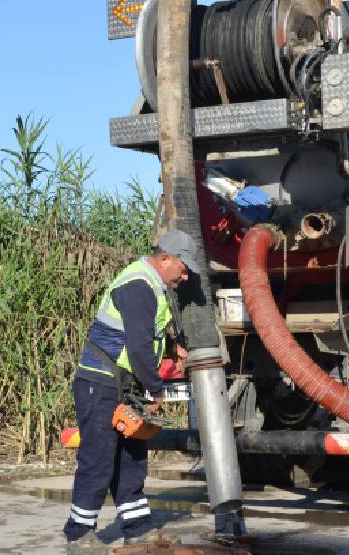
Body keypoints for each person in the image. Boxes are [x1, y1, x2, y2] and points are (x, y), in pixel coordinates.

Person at [62, 230, 198, 552]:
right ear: (165, 258)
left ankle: (137, 528)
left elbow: (141, 339)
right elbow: (137, 348)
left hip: (119, 386)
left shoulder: (151, 286)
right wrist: (156, 389)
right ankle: (78, 534)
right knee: (99, 460)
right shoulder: (139, 285)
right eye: (183, 266)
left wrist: (170, 352)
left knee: (131, 459)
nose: (186, 274)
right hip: (100, 384)